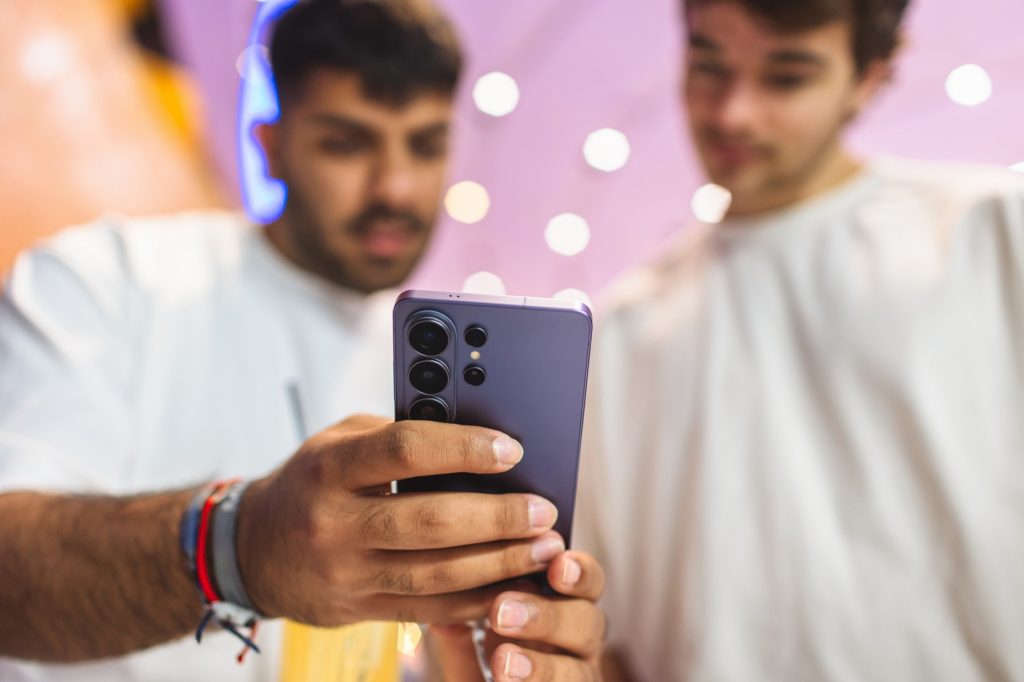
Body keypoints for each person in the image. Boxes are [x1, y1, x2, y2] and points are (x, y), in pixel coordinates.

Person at [0, 1, 606, 680]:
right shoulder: (107, 281)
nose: (394, 187)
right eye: (346, 143)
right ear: (270, 145)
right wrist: (241, 547)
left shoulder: (445, 364)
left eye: (425, 145)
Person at [576, 0, 1024, 679]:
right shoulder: (621, 333)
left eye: (786, 78)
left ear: (870, 76)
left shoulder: (992, 235)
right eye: (709, 66)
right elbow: (602, 637)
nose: (733, 114)